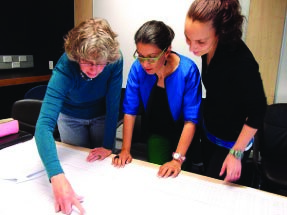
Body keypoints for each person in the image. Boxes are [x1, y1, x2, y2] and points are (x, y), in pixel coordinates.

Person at [35, 17, 123, 214]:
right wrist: (56, 176)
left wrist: (108, 145)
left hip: (101, 114)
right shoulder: (66, 66)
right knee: (77, 164)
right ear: (76, 56)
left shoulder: (115, 60)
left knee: (103, 166)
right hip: (70, 117)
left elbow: (113, 104)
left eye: (100, 63)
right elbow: (43, 126)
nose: (94, 70)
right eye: (87, 62)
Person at [184, 0, 267, 184]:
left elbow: (258, 112)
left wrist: (236, 154)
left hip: (232, 143)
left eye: (200, 41)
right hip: (210, 132)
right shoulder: (208, 48)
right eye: (188, 38)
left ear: (220, 31)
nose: (192, 48)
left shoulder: (241, 62)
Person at [112, 20, 202, 178]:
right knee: (157, 175)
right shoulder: (137, 68)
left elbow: (191, 119)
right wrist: (125, 150)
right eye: (140, 56)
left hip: (183, 133)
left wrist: (177, 160)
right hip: (157, 130)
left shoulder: (188, 71)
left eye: (152, 57)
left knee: (180, 176)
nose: (145, 64)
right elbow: (130, 111)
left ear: (167, 51)